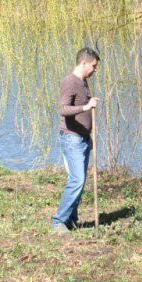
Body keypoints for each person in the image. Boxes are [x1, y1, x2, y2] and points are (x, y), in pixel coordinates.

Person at [51, 47, 100, 234]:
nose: (95, 69)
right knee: (77, 180)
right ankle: (58, 222)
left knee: (79, 180)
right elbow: (63, 109)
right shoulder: (70, 82)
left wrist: (89, 136)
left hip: (82, 139)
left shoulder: (83, 82)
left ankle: (71, 220)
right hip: (71, 138)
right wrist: (86, 106)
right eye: (93, 66)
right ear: (84, 63)